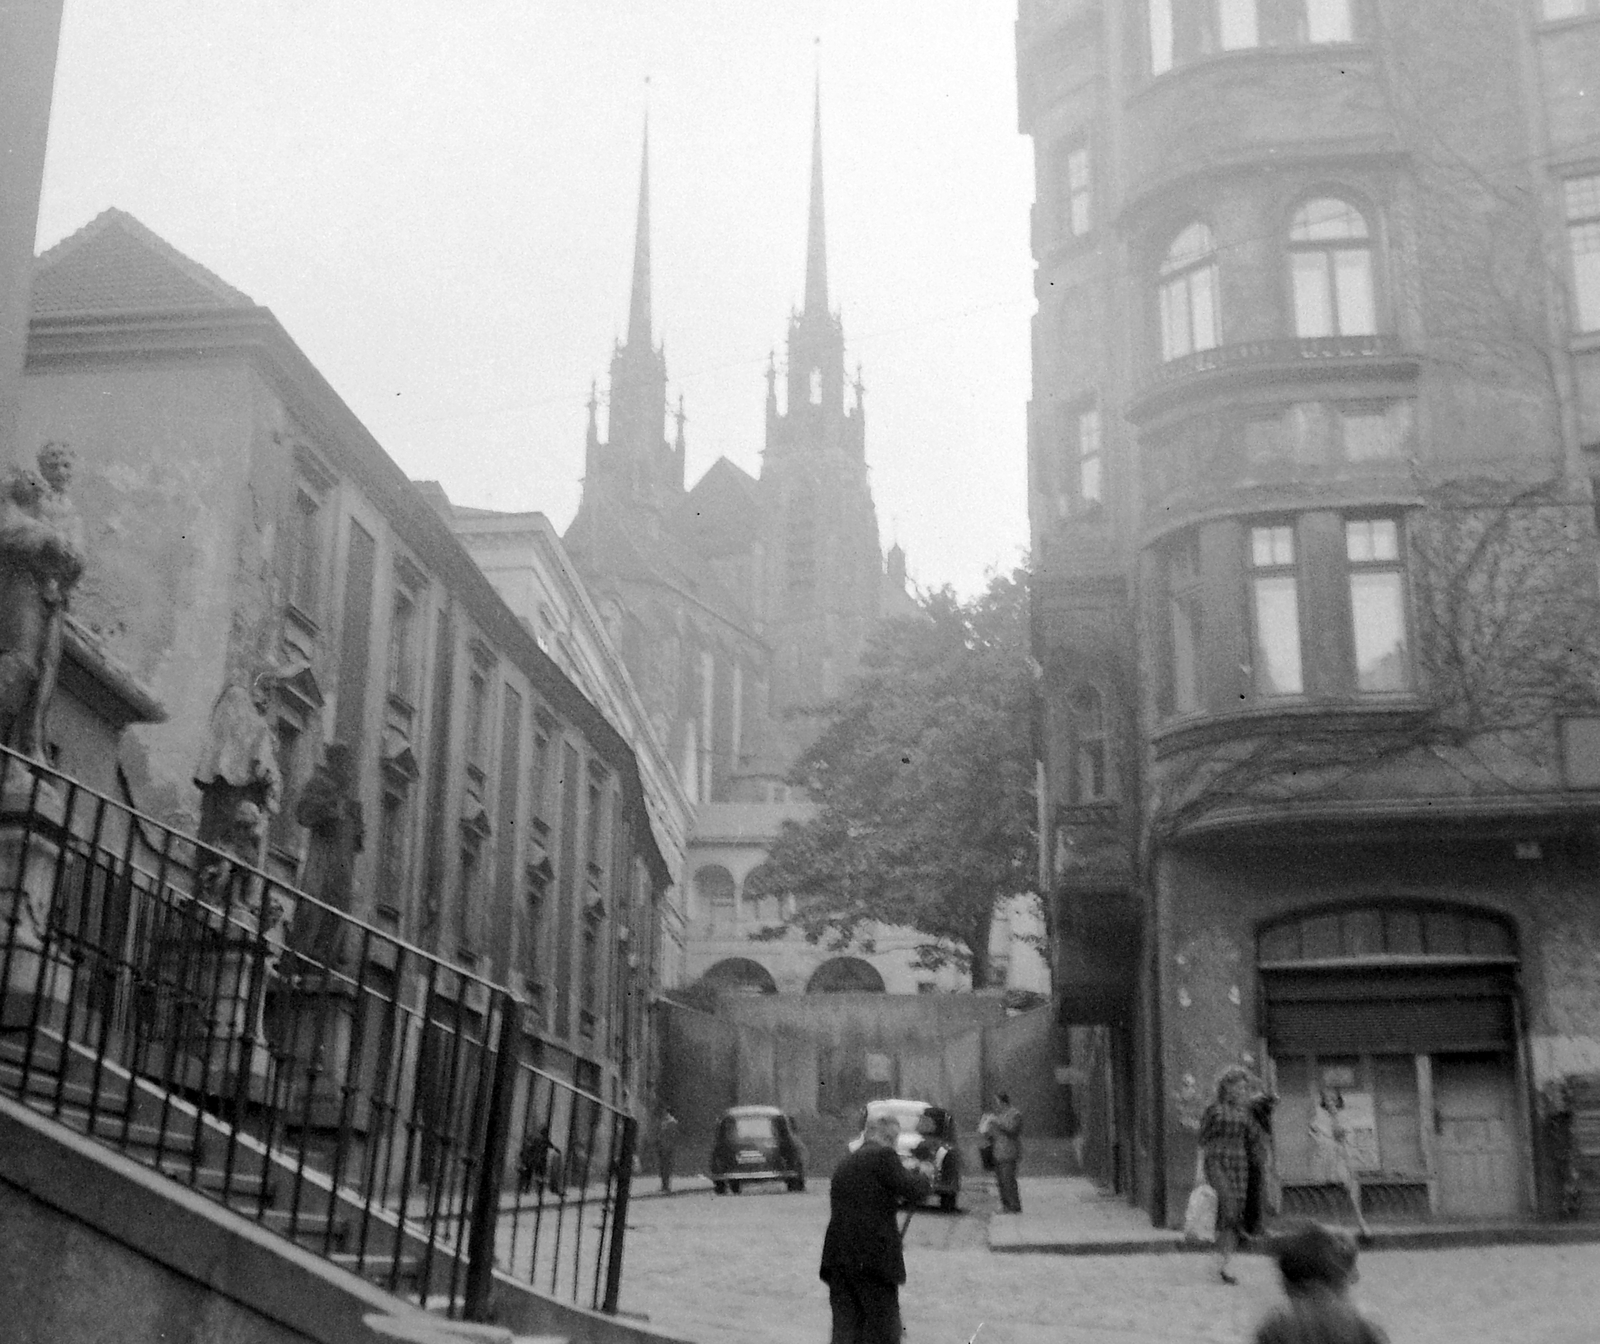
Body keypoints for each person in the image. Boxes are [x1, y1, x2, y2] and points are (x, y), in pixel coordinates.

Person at [0, 444, 86, 760]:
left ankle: (27, 747)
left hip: (54, 595)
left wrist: (71, 560)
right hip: (23, 585)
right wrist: (48, 538)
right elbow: (7, 528)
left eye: (67, 466)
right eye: (56, 465)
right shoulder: (24, 489)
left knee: (43, 676)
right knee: (20, 663)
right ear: (43, 467)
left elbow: (78, 557)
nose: (62, 472)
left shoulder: (72, 514)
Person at [819, 1112, 931, 1344]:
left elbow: (875, 1192)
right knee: (884, 1331)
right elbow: (912, 1188)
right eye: (895, 1139)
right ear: (889, 1138)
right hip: (872, 1261)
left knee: (846, 1331)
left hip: (838, 1259)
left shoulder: (848, 1161)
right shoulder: (883, 1156)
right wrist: (925, 1176)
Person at [1252, 1221, 1389, 1344]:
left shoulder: (1276, 1327)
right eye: (1351, 1268)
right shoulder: (1364, 1327)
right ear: (1340, 1278)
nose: (1356, 1278)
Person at [1198, 1065, 1269, 1284]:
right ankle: (1216, 1257)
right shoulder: (1214, 1109)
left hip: (1240, 1164)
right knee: (1228, 1208)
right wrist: (1199, 1170)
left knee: (1234, 1216)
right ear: (1225, 1088)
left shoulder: (1246, 1112)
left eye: (1244, 1087)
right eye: (1236, 1087)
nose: (1240, 1091)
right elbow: (1202, 1139)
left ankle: (1221, 1265)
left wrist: (1264, 1111)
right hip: (1217, 1160)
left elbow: (1255, 1137)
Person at [1311, 1088, 1372, 1241]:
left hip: (1343, 1157)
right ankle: (1337, 1226)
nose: (1330, 1102)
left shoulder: (1343, 1116)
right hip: (1327, 1158)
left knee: (1350, 1189)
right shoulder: (1319, 1117)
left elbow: (1341, 1135)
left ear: (1338, 1100)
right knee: (1332, 1191)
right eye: (1327, 1099)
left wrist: (1335, 1116)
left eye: (1333, 1099)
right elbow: (1316, 1135)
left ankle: (1361, 1224)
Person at [988, 1091, 1024, 1213]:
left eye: (997, 1101)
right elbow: (996, 1133)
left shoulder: (1015, 1114)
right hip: (998, 1151)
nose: (996, 1104)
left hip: (1009, 1152)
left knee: (1008, 1180)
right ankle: (1006, 1206)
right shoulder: (1000, 1115)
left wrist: (997, 1123)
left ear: (1002, 1101)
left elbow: (1012, 1130)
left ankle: (1014, 1205)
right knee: (1001, 1181)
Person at [656, 1108, 680, 1194]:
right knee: (663, 1167)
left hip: (668, 1148)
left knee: (667, 1167)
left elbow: (673, 1136)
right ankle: (664, 1185)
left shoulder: (672, 1122)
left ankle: (666, 1186)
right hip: (663, 1147)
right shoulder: (664, 1122)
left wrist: (670, 1146)